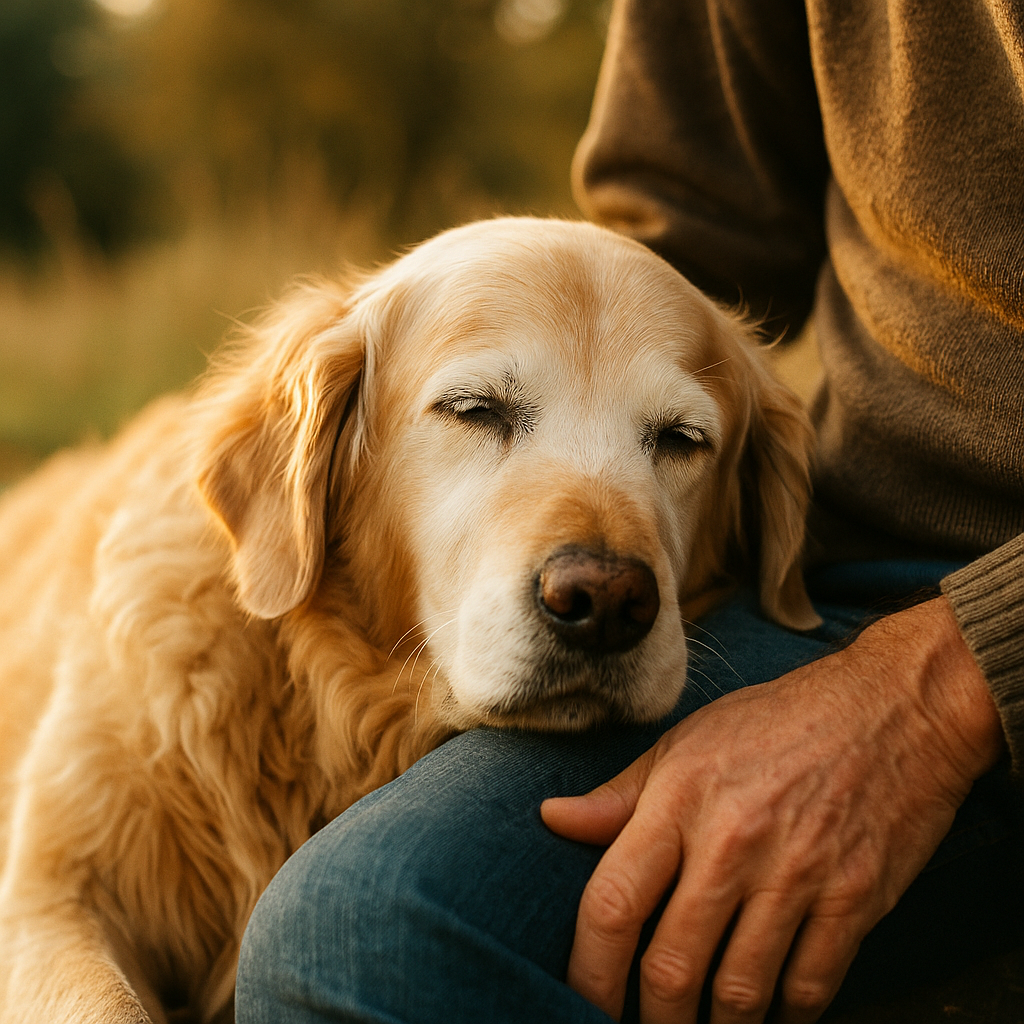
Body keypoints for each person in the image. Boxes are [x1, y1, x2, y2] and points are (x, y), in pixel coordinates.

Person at [234, 1, 1024, 1021]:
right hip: (863, 574)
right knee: (365, 922)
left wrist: (940, 691)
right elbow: (678, 230)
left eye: (679, 440)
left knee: (356, 931)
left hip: (980, 626)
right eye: (478, 409)